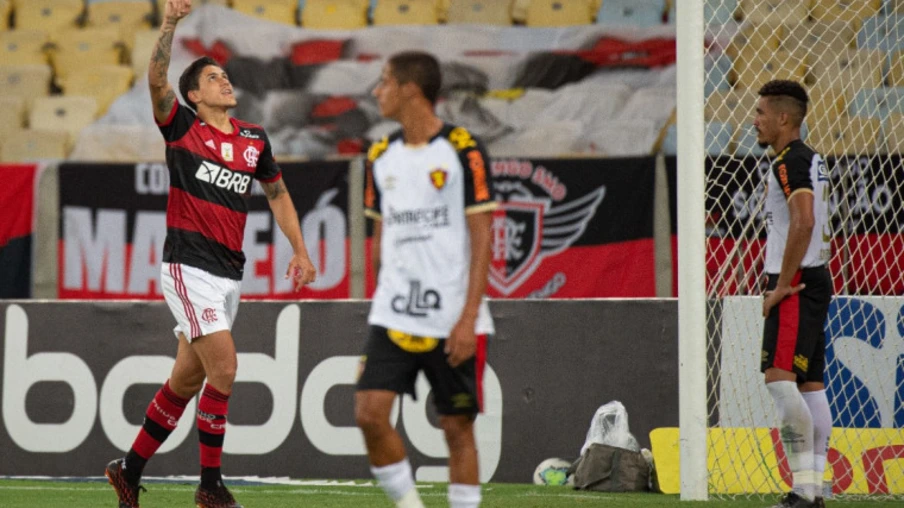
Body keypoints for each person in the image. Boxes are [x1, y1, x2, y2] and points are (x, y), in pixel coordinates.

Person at [104, 1, 316, 507]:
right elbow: (157, 83)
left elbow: (278, 194)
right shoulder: (181, 128)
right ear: (194, 94)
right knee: (224, 369)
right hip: (187, 268)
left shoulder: (253, 140)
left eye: (225, 75)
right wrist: (171, 23)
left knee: (187, 378)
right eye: (214, 77)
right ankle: (210, 485)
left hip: (228, 275)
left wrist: (300, 250)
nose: (225, 82)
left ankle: (128, 469)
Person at [356, 51, 496, 508]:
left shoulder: (464, 150)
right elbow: (379, 239)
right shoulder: (380, 155)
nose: (377, 91)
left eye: (384, 82)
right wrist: (378, 303)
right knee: (369, 414)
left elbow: (482, 236)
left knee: (456, 428)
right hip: (394, 311)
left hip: (452, 315)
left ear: (410, 89)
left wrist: (468, 317)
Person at [755, 80, 833, 508]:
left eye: (762, 113)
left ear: (784, 118)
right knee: (810, 385)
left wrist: (781, 285)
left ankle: (803, 492)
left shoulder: (789, 161)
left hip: (797, 283)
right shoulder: (813, 158)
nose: (756, 120)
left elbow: (802, 221)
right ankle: (815, 490)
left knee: (779, 382)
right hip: (816, 277)